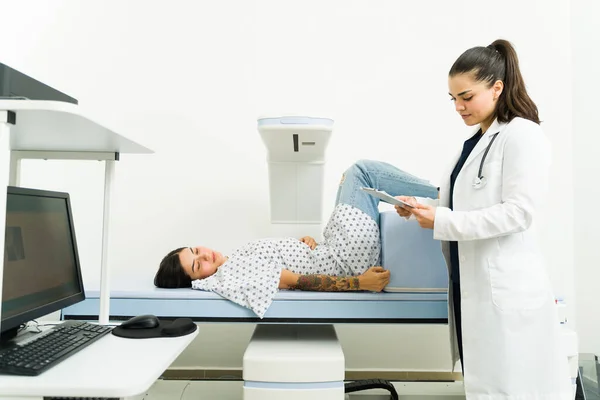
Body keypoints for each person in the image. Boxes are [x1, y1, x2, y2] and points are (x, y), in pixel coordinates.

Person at [395, 39, 571, 399]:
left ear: (496, 87)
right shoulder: (474, 142)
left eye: (466, 96)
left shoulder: (522, 135)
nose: (458, 107)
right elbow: (461, 202)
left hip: (505, 290)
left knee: (512, 388)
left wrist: (442, 221)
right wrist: (420, 207)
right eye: (453, 99)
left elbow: (519, 212)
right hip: (471, 284)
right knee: (488, 387)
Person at [154, 159, 438, 317]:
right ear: (199, 280)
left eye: (195, 250)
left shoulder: (234, 260)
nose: (204, 255)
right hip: (347, 260)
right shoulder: (232, 272)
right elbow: (296, 281)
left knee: (350, 180)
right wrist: (360, 283)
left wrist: (304, 246)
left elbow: (290, 267)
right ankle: (442, 191)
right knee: (360, 173)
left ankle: (432, 195)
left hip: (334, 250)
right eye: (197, 265)